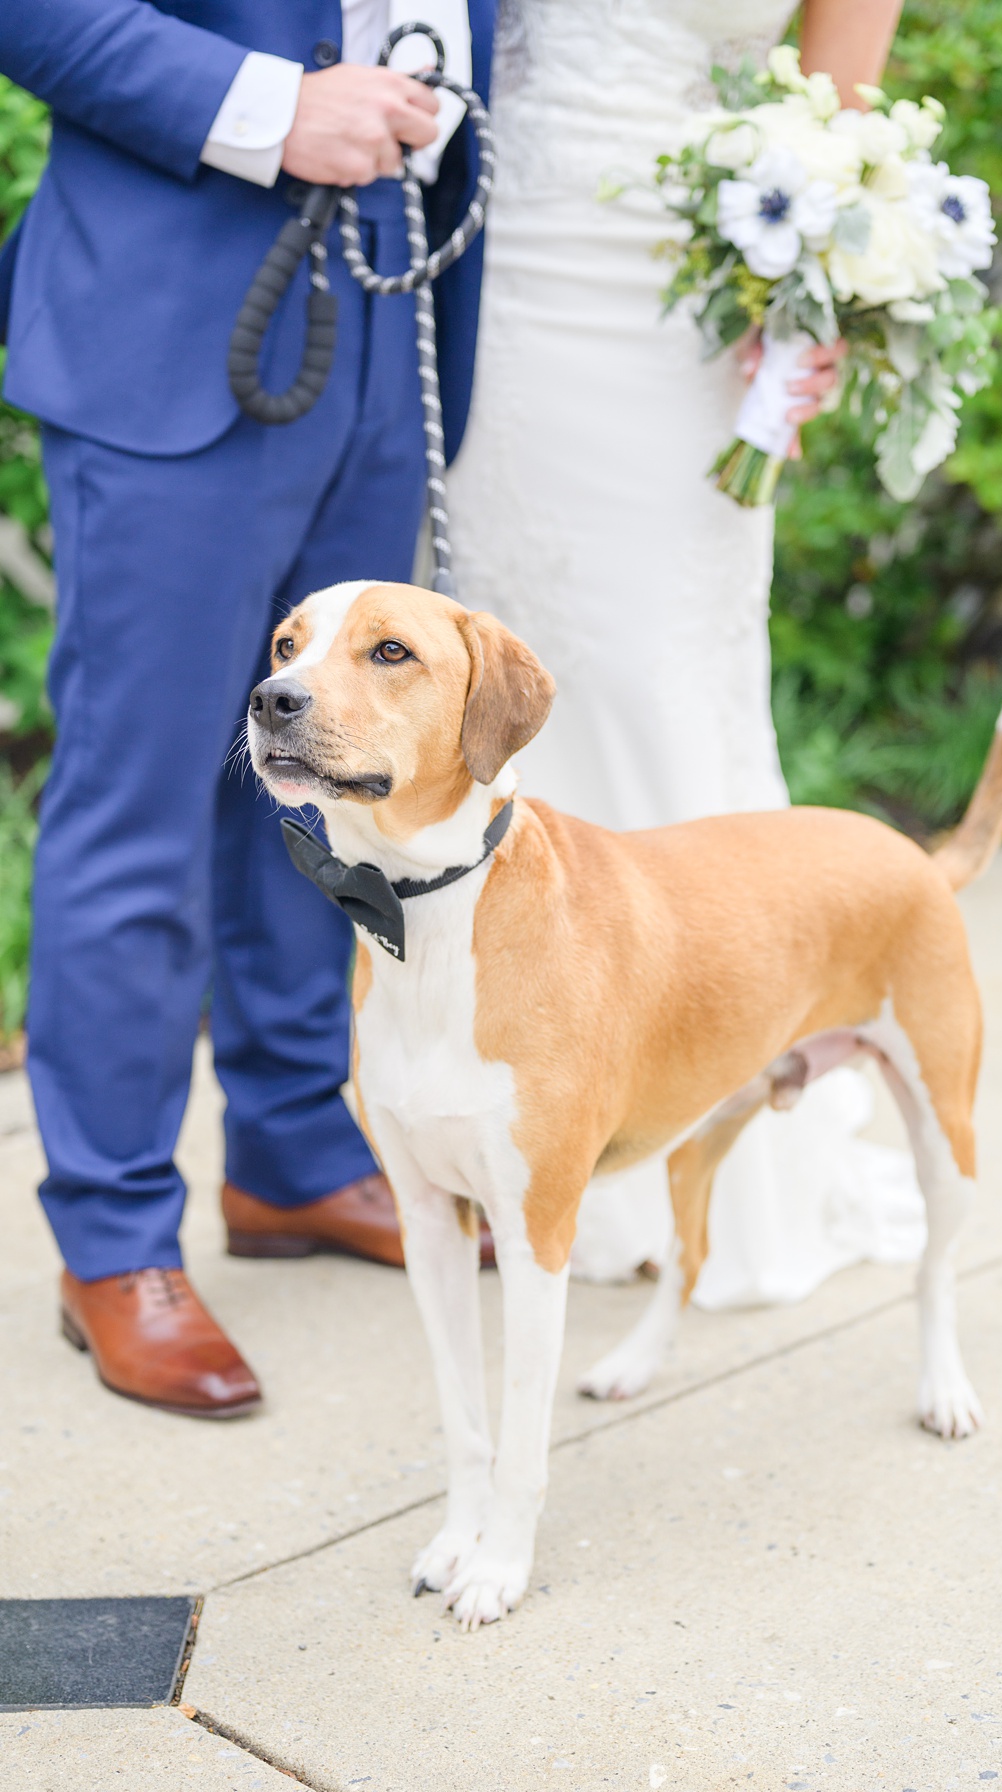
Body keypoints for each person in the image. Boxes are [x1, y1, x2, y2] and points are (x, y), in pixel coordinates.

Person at [0, 0, 494, 1418]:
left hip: (391, 309)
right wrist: (270, 109)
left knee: (329, 784)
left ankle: (289, 1147)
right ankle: (112, 1241)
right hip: (178, 309)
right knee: (138, 802)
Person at [442, 0, 921, 1316]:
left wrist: (812, 306)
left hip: (690, 310)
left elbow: (841, 118)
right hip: (506, 272)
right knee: (517, 703)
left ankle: (701, 1155)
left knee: (670, 688)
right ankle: (521, 1128)